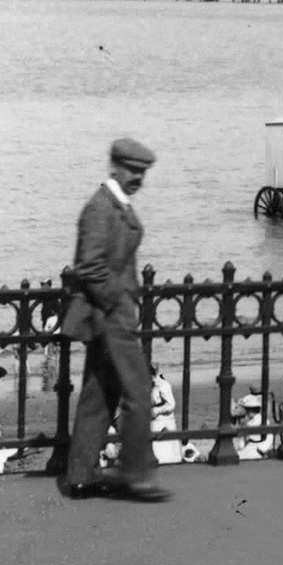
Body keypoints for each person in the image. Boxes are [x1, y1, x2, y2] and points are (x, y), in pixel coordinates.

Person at [59, 138, 171, 502]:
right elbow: (88, 265)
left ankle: (81, 476)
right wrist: (119, 303)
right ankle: (136, 476)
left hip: (109, 313)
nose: (138, 178)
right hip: (110, 316)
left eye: (142, 172)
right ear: (114, 167)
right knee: (138, 391)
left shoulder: (115, 205)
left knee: (99, 393)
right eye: (133, 171)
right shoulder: (100, 209)